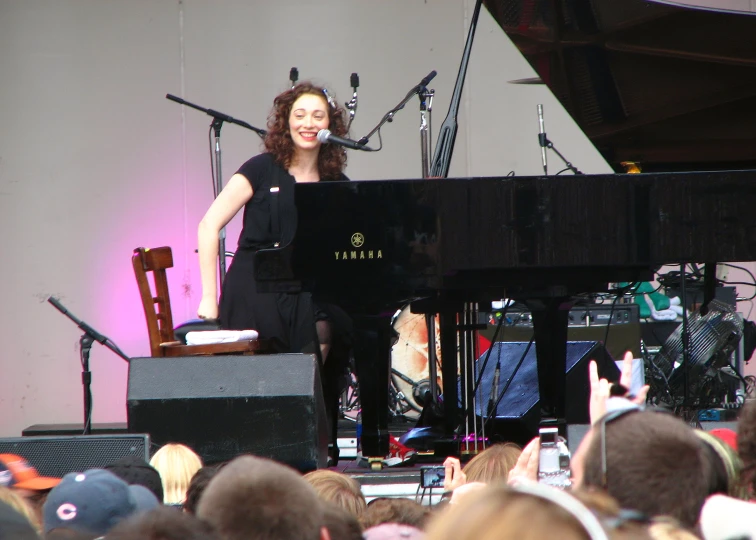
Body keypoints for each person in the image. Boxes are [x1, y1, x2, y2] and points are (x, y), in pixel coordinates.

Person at [196, 81, 349, 360]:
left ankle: (311, 398)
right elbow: (208, 225)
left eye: (318, 116)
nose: (308, 123)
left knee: (330, 322)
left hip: (302, 288)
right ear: (286, 121)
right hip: (253, 283)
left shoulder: (335, 183)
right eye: (300, 115)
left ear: (330, 126)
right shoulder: (261, 168)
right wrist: (208, 297)